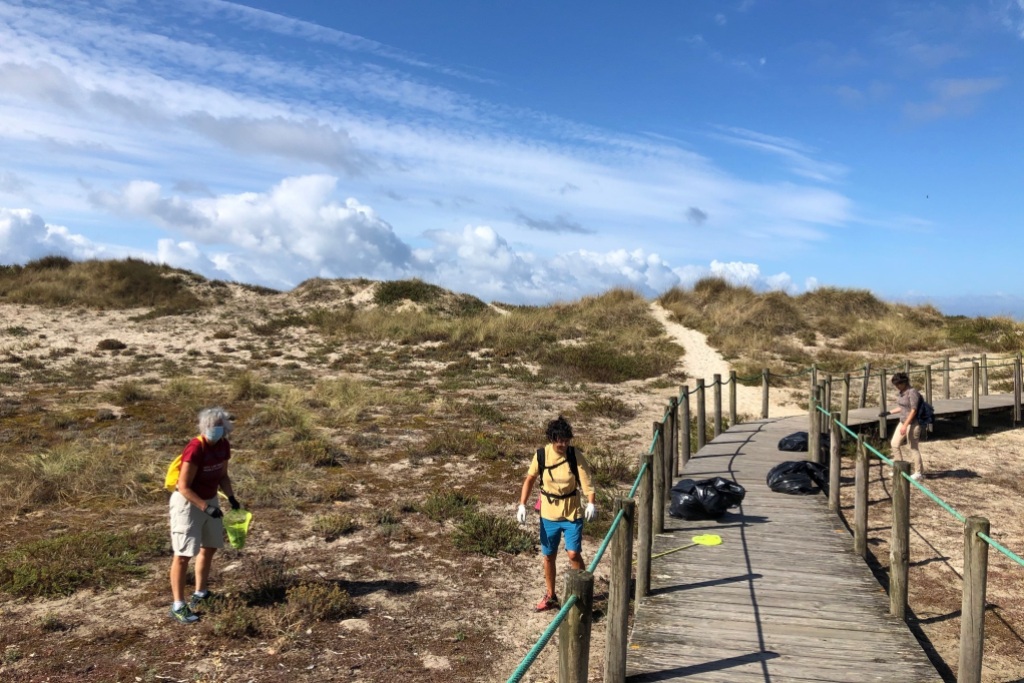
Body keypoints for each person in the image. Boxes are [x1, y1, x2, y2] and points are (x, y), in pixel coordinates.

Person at [515, 416, 597, 612]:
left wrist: (591, 503)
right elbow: (530, 479)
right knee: (548, 555)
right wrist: (522, 505)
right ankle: (551, 596)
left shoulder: (575, 455)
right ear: (552, 439)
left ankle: (582, 592)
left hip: (571, 512)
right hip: (548, 514)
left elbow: (587, 483)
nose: (563, 444)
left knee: (573, 553)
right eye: (560, 441)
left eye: (566, 441)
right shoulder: (541, 455)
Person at [168, 406, 241, 624]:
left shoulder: (223, 445)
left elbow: (223, 476)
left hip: (209, 500)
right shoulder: (195, 448)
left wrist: (231, 498)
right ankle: (178, 605)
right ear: (202, 428)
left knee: (209, 547)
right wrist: (205, 507)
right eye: (210, 426)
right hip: (189, 503)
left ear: (225, 428)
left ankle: (201, 593)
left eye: (218, 426)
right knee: (183, 554)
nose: (214, 430)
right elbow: (183, 486)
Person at [887, 372, 925, 481]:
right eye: (895, 384)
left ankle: (919, 473)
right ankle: (899, 468)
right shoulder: (901, 393)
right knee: (894, 444)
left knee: (913, 447)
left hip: (913, 423)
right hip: (903, 422)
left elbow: (913, 410)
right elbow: (902, 408)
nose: (897, 386)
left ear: (904, 382)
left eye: (898, 384)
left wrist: (905, 425)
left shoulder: (912, 392)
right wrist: (888, 412)